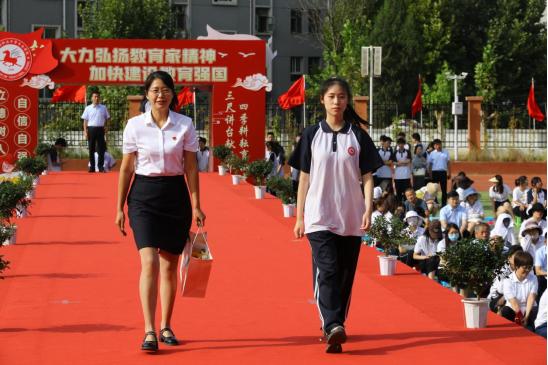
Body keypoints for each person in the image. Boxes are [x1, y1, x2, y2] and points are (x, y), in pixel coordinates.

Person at [289, 77, 383, 354]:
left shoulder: (358, 136)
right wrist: (299, 217)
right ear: (322, 100)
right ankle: (331, 323)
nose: (336, 101)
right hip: (319, 214)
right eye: (331, 96)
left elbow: (367, 177)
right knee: (327, 270)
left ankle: (335, 326)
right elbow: (303, 178)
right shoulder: (311, 135)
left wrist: (367, 209)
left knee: (344, 274)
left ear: (347, 101)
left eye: (341, 97)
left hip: (350, 215)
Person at [115, 71, 206, 352]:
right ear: (147, 93)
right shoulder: (134, 125)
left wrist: (196, 205)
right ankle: (149, 329)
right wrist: (119, 207)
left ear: (172, 93)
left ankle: (166, 324)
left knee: (168, 266)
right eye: (155, 90)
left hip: (175, 197)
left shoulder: (185, 124)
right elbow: (127, 167)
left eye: (165, 90)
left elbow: (191, 167)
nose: (160, 95)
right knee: (149, 262)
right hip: (143, 197)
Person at [502, 251, 538, 329]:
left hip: (529, 309)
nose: (527, 270)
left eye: (530, 267)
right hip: (514, 309)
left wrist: (526, 317)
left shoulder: (533, 278)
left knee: (535, 311)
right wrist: (521, 318)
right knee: (505, 311)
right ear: (517, 266)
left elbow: (531, 298)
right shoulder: (508, 280)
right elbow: (513, 302)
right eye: (525, 268)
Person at [488, 245, 524, 314]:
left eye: (521, 256)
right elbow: (501, 289)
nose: (519, 259)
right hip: (496, 298)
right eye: (516, 256)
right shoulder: (502, 270)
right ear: (509, 258)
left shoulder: (524, 268)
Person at [82, 91, 110, 173]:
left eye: (98, 97)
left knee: (101, 149)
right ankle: (92, 167)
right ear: (92, 98)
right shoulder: (88, 108)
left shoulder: (103, 108)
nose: (96, 98)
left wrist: (106, 127)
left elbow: (107, 118)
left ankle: (101, 167)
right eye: (95, 96)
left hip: (100, 129)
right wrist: (85, 131)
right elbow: (85, 120)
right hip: (91, 129)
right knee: (91, 148)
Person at [427, 139, 450, 206]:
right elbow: (430, 164)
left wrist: (449, 172)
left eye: (439, 144)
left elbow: (448, 163)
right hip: (435, 173)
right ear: (434, 146)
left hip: (443, 172)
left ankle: (444, 204)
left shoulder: (446, 152)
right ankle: (435, 203)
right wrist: (430, 173)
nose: (438, 146)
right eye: (436, 145)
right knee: (434, 190)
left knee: (444, 190)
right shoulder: (432, 153)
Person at [393, 137, 412, 202]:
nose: (400, 145)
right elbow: (393, 162)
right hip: (398, 176)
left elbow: (409, 161)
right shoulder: (395, 152)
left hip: (406, 175)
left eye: (402, 143)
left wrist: (399, 163)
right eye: (399, 143)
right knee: (398, 192)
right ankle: (399, 206)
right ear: (397, 144)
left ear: (404, 144)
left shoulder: (407, 152)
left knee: (406, 192)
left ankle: (406, 206)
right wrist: (404, 163)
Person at [534, 236, 547, 302]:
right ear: (545, 242)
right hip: (543, 277)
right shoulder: (540, 252)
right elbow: (537, 271)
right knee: (539, 279)